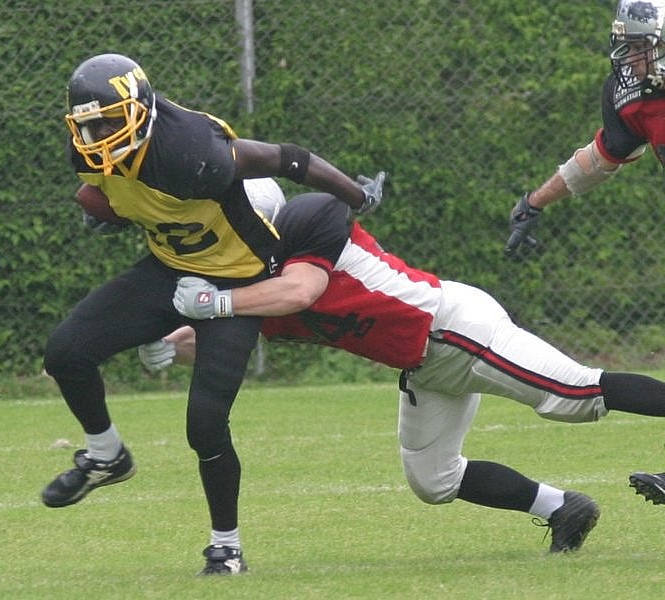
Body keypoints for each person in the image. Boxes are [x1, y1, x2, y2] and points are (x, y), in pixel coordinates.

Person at [141, 190, 665, 555]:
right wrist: (173, 344)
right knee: (434, 479)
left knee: (577, 395)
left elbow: (297, 291)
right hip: (425, 363)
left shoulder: (307, 243)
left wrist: (214, 302)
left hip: (453, 328)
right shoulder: (264, 286)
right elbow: (238, 333)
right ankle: (563, 509)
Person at [41, 52, 386, 576]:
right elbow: (104, 192)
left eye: (110, 121)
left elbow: (289, 159)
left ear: (140, 109)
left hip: (240, 275)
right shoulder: (88, 151)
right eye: (90, 125)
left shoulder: (192, 151)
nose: (100, 135)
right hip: (169, 268)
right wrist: (113, 210)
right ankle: (106, 455)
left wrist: (357, 196)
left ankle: (226, 547)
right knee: (66, 352)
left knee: (204, 422)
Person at [504, 0, 665, 256]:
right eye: (628, 46)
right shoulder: (631, 97)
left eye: (640, 47)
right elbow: (600, 159)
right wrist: (534, 202)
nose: (630, 59)